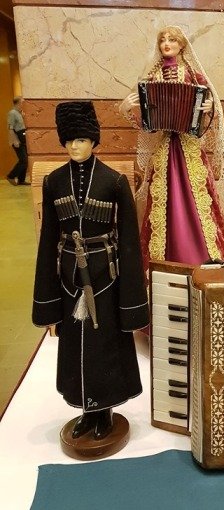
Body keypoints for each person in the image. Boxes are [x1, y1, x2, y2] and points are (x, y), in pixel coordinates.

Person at [32, 101, 149, 441]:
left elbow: (129, 243)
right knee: (76, 346)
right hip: (70, 280)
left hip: (105, 279)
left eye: (81, 139)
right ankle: (86, 411)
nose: (75, 146)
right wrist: (47, 300)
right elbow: (48, 240)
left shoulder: (114, 181)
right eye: (69, 140)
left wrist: (132, 301)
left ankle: (105, 411)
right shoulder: (54, 182)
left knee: (104, 344)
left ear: (94, 141)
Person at [119, 26, 224, 270]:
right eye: (163, 40)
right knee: (164, 203)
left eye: (172, 40)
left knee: (197, 199)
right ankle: (166, 261)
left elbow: (212, 108)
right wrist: (127, 109)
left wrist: (209, 108)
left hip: (190, 148)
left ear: (182, 45)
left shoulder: (193, 76)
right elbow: (147, 125)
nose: (166, 44)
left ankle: (202, 257)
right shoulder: (152, 78)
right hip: (165, 147)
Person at [7, 96, 29, 185]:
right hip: (17, 138)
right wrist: (15, 140)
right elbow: (10, 128)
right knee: (23, 160)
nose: (24, 104)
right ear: (18, 103)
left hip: (22, 137)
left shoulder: (20, 113)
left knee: (26, 160)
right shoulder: (12, 113)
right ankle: (11, 176)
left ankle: (21, 180)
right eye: (23, 102)